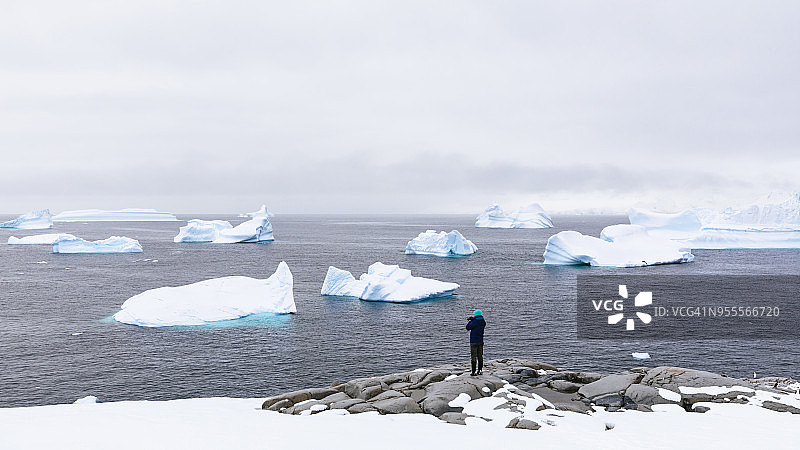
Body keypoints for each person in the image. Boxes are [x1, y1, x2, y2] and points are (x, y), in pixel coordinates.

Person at [465, 309, 486, 376]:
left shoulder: (474, 322)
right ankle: (480, 370)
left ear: (476, 315)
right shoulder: (483, 321)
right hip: (480, 341)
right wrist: (473, 319)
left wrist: (471, 320)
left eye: (474, 314)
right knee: (480, 355)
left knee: (473, 356)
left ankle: (473, 372)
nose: (473, 315)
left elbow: (468, 327)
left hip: (473, 341)